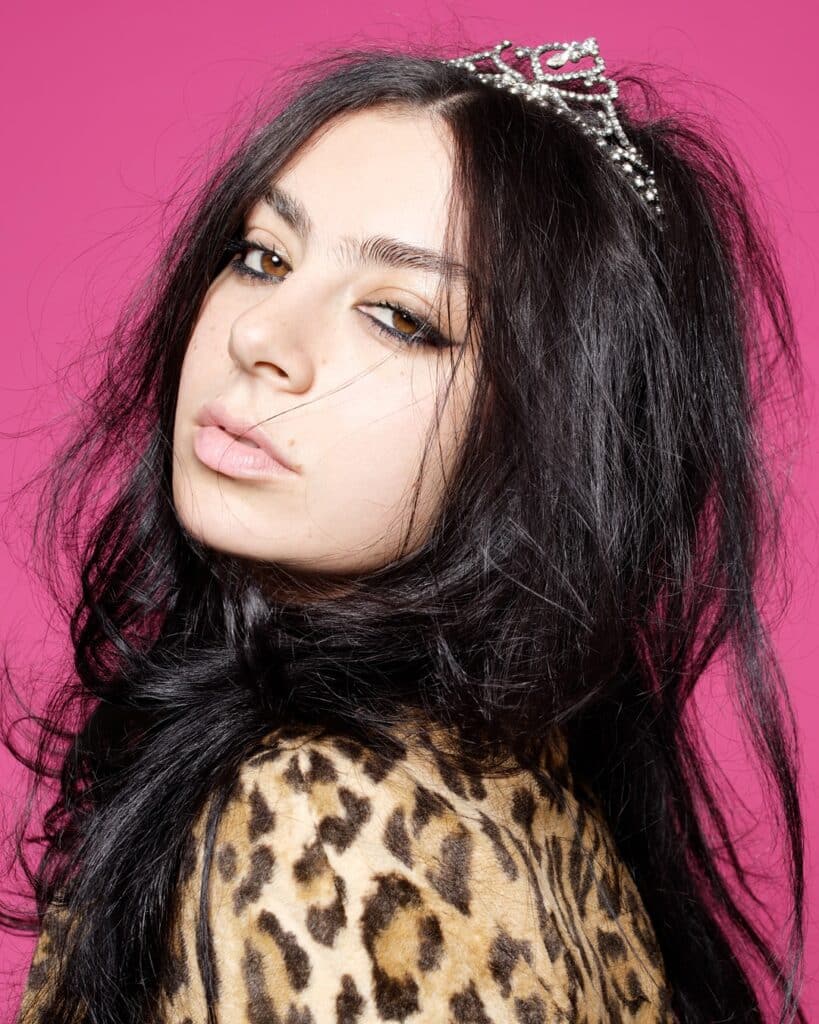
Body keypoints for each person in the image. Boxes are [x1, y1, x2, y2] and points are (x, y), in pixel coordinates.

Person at [3, 36, 808, 1024]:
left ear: (552, 432)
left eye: (397, 316)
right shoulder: (529, 780)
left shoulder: (307, 816)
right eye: (263, 257)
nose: (258, 336)